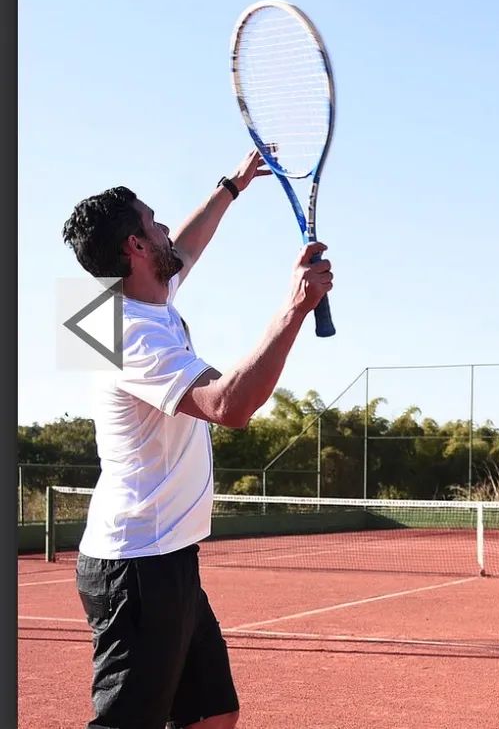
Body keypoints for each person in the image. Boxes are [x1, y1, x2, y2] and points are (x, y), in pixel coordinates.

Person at [60, 149, 335, 729]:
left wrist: (231, 187)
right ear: (136, 248)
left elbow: (186, 245)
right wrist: (294, 308)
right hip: (134, 565)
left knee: (214, 713)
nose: (164, 229)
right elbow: (228, 407)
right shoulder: (128, 333)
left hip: (170, 555)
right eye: (152, 222)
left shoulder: (128, 302)